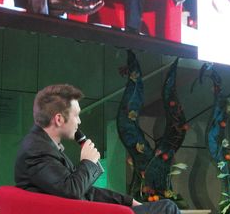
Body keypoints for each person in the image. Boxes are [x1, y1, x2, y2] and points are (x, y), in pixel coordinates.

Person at [15, 84, 180, 214]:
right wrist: (87, 162)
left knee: (166, 206)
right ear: (59, 119)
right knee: (167, 208)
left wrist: (128, 201)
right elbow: (72, 192)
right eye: (76, 115)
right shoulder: (36, 150)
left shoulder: (43, 146)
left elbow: (85, 192)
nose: (79, 121)